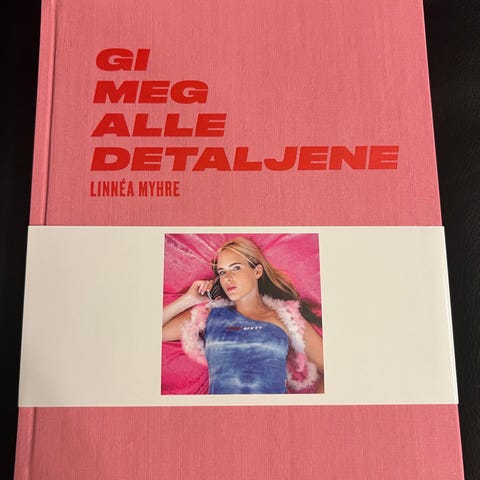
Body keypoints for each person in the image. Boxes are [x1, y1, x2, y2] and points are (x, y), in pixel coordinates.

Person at [162, 237, 324, 394]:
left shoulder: (286, 317)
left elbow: (331, 370)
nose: (228, 278)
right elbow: (152, 335)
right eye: (222, 272)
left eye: (236, 268)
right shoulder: (209, 314)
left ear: (257, 271)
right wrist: (189, 299)